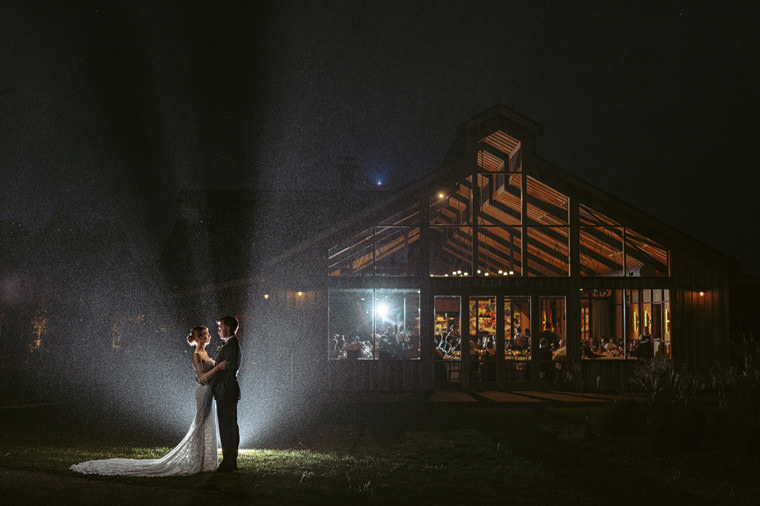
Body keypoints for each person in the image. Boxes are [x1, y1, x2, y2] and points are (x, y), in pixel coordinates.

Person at [70, 326, 228, 476]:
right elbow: (201, 379)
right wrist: (217, 368)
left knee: (207, 424)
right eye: (206, 333)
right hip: (204, 391)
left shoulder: (206, 353)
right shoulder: (196, 354)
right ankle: (198, 461)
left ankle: (205, 462)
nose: (210, 335)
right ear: (200, 337)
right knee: (200, 424)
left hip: (209, 392)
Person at [213, 316, 242, 472]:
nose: (218, 330)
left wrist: (209, 378)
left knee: (228, 426)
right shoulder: (229, 345)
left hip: (226, 391)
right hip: (225, 391)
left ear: (228, 328)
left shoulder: (231, 346)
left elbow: (227, 371)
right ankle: (230, 460)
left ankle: (229, 462)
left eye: (221, 326)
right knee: (228, 426)